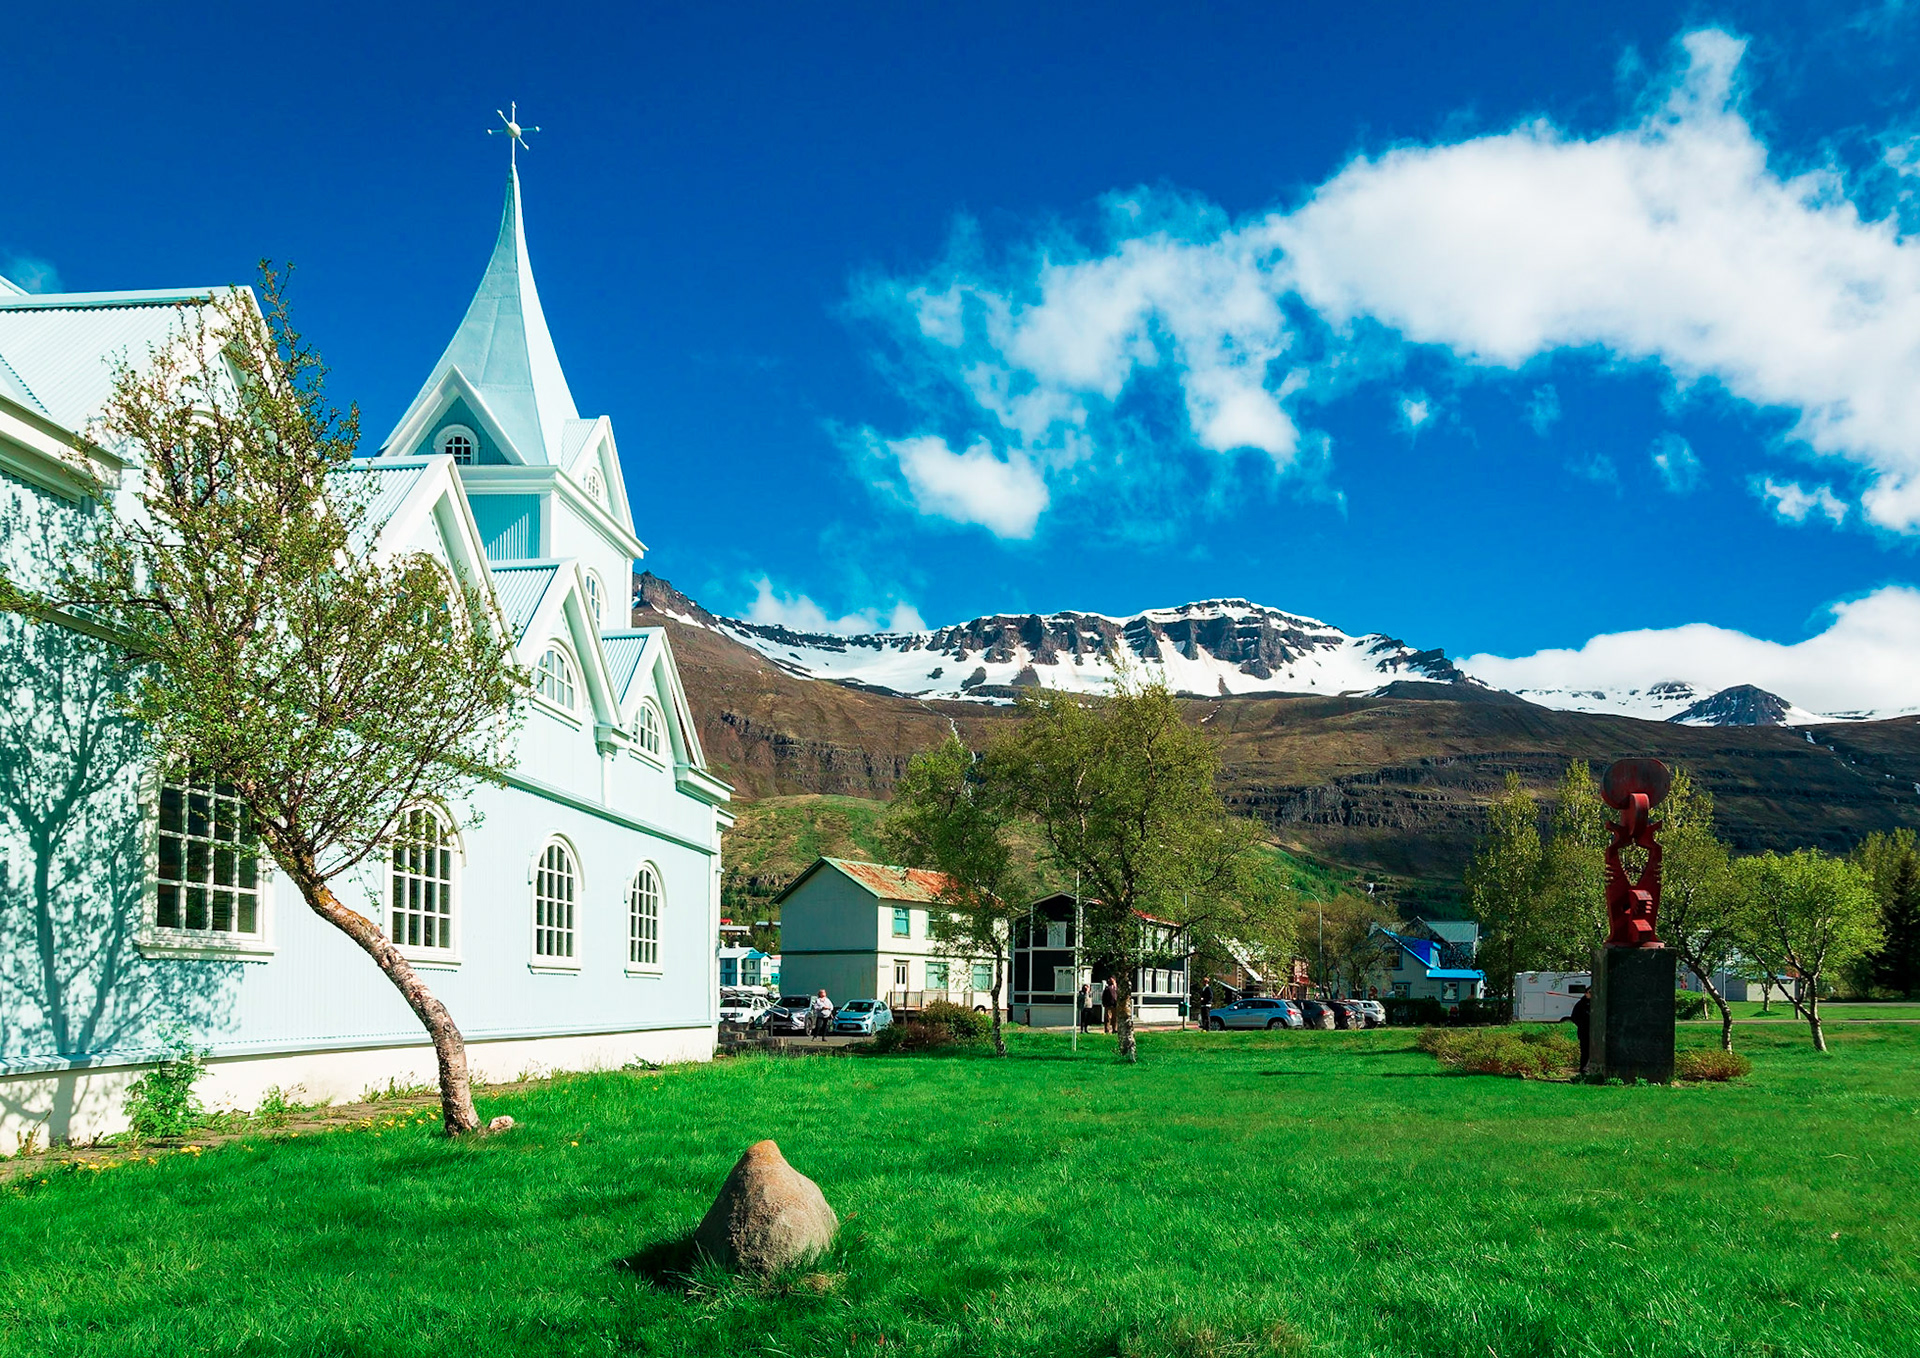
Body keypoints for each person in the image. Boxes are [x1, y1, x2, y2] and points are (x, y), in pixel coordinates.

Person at [1570, 991, 1592, 1076]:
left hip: (1596, 1033)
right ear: (1586, 993)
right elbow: (1574, 1017)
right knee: (1585, 1051)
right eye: (1589, 992)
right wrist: (1582, 1024)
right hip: (1584, 1032)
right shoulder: (1580, 1004)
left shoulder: (1597, 1003)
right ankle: (1583, 1069)